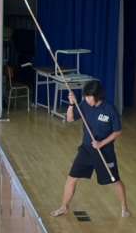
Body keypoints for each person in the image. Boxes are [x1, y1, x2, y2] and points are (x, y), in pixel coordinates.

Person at [50, 80, 130, 218]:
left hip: (104, 152)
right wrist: (71, 104)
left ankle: (124, 208)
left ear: (97, 96)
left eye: (89, 96)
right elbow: (69, 119)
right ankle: (64, 207)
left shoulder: (109, 109)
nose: (87, 99)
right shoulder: (84, 105)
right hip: (86, 149)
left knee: (115, 180)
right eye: (85, 96)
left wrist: (101, 143)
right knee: (71, 178)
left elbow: (117, 131)